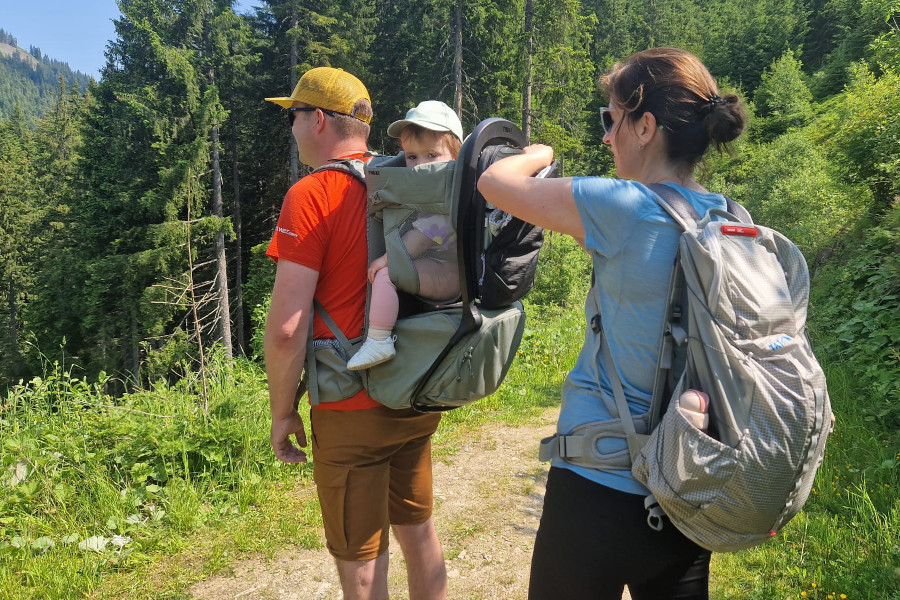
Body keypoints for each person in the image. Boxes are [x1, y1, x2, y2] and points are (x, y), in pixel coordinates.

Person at [477, 47, 748, 599]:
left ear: (645, 127)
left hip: (596, 484)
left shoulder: (621, 204)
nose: (606, 137)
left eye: (612, 119)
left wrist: (538, 152)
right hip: (688, 480)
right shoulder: (729, 216)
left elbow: (494, 182)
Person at [263, 67, 447, 600]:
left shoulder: (312, 194)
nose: (293, 127)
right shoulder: (407, 178)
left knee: (362, 565)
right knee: (419, 531)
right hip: (414, 388)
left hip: (350, 406)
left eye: (294, 115)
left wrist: (282, 412)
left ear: (318, 119)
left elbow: (287, 329)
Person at [347, 100, 464, 371]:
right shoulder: (440, 192)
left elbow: (418, 241)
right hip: (443, 267)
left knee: (386, 275)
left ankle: (378, 340)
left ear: (456, 157)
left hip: (449, 276)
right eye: (412, 157)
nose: (419, 166)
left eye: (431, 155)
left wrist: (385, 261)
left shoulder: (445, 204)